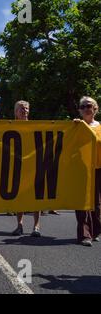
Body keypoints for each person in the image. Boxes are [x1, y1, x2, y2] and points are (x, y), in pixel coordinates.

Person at [11, 100, 41, 237]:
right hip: (17, 166)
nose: (25, 111)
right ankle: (19, 225)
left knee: (36, 197)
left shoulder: (35, 126)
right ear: (16, 112)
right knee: (19, 197)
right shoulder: (9, 126)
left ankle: (36, 226)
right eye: (22, 108)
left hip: (33, 166)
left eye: (27, 108)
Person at [75, 96, 101, 246]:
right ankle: (85, 235)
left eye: (89, 106)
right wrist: (74, 127)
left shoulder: (100, 127)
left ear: (95, 109)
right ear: (79, 110)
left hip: (98, 169)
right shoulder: (77, 126)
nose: (86, 108)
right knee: (82, 202)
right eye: (83, 106)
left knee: (96, 203)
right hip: (81, 170)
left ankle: (96, 230)